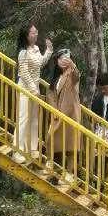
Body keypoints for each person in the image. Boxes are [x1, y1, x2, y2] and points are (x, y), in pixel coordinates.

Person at [14, 24, 53, 161]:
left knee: (34, 119)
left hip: (34, 88)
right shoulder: (23, 52)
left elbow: (40, 63)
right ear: (26, 35)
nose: (36, 35)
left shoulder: (36, 49)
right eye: (33, 33)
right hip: (25, 89)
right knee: (23, 118)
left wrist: (48, 50)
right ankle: (18, 151)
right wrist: (33, 90)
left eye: (36, 32)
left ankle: (32, 148)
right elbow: (24, 73)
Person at [46, 46, 82, 182]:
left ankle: (69, 173)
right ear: (57, 61)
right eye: (60, 58)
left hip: (71, 113)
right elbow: (50, 94)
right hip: (58, 113)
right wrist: (54, 109)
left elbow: (76, 76)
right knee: (51, 136)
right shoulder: (56, 77)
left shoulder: (72, 74)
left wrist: (73, 66)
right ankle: (50, 162)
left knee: (71, 145)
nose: (63, 61)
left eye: (65, 58)